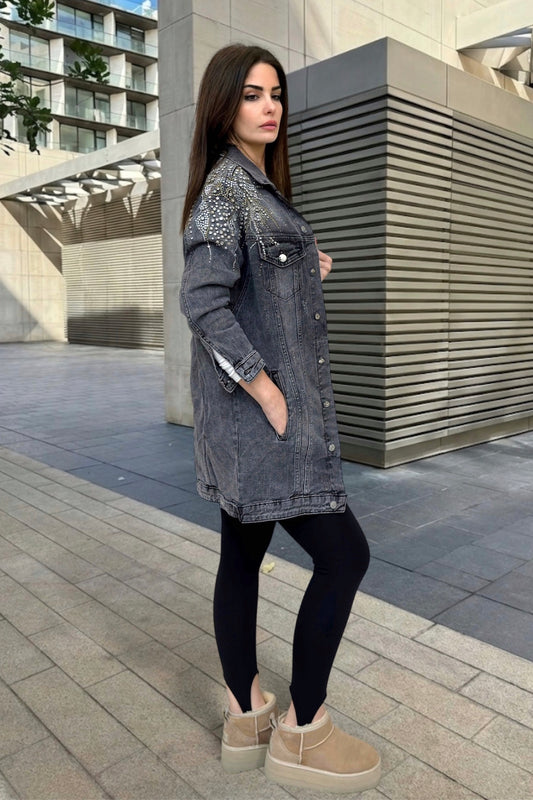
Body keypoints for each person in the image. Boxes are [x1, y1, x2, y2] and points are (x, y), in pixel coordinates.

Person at [179, 43, 380, 794]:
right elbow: (201, 302)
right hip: (266, 426)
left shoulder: (250, 189)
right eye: (253, 94)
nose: (269, 106)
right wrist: (267, 392)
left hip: (246, 432)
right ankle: (303, 731)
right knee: (344, 556)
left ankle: (246, 714)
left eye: (276, 94)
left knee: (241, 555)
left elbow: (249, 282)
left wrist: (305, 265)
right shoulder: (229, 192)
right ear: (224, 105)